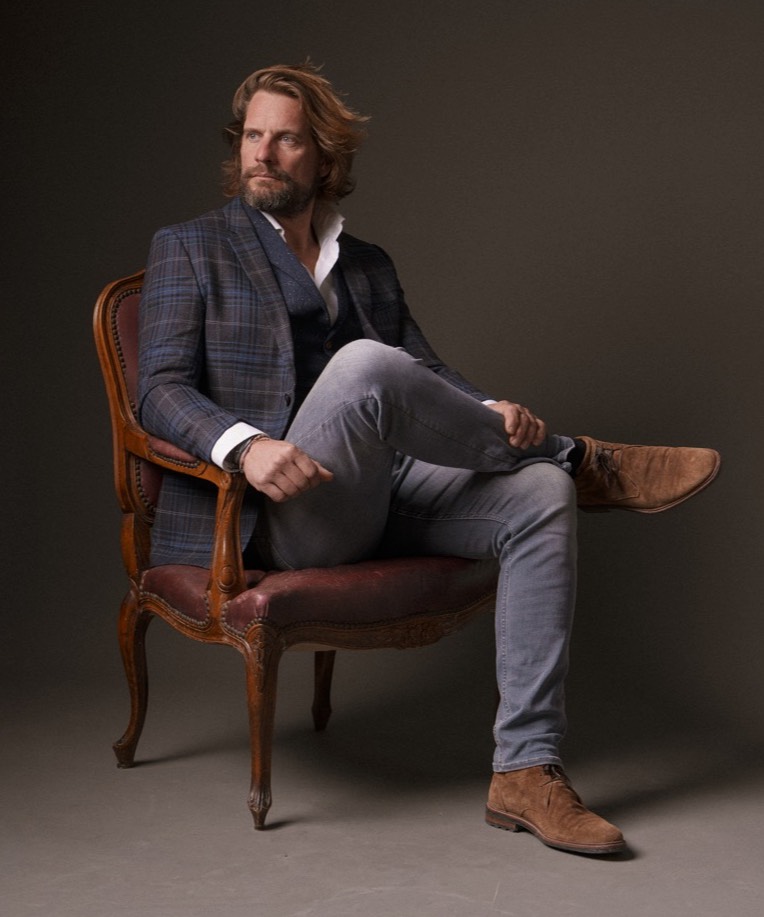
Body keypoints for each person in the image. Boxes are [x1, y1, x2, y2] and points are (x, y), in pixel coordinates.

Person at [138, 62, 720, 855]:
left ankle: (525, 769)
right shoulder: (191, 248)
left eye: (286, 140)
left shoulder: (366, 262)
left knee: (540, 491)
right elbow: (158, 389)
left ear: (324, 157)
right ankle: (585, 459)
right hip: (277, 516)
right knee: (364, 365)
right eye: (252, 136)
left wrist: (491, 408)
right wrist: (247, 447)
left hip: (376, 494)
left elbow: (427, 373)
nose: (262, 155)